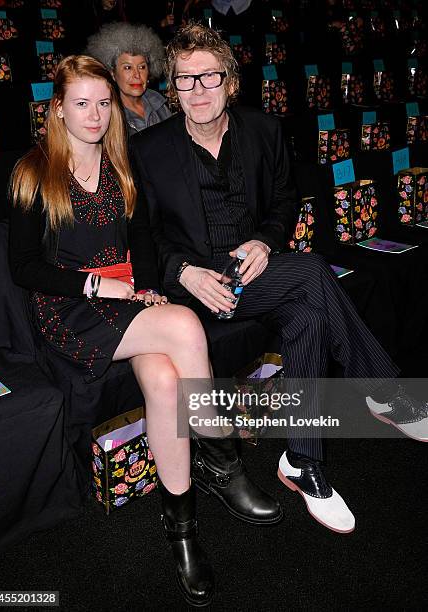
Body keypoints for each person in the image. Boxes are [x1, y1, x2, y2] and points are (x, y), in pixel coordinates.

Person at [129, 23, 428, 536]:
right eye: (185, 80)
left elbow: (286, 200)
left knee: (308, 316)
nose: (198, 90)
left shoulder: (264, 130)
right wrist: (184, 271)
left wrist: (266, 241)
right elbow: (146, 235)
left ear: (230, 81)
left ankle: (303, 463)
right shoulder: (149, 149)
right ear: (173, 89)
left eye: (209, 77)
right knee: (312, 273)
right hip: (193, 287)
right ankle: (384, 390)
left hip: (255, 271)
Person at [8, 54, 281, 608]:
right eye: (81, 104)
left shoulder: (121, 165)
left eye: (104, 104)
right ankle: (223, 459)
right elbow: (23, 267)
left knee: (162, 381)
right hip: (70, 309)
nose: (95, 115)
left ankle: (181, 531)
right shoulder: (33, 171)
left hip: (129, 302)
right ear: (57, 109)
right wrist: (94, 287)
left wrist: (148, 286)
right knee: (184, 325)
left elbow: (144, 243)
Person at [86, 22, 171, 136]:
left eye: (142, 67)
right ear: (112, 74)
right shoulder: (108, 115)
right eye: (128, 67)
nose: (137, 75)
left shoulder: (159, 104)